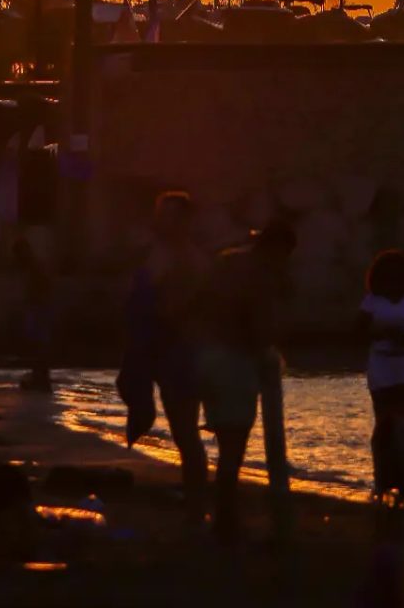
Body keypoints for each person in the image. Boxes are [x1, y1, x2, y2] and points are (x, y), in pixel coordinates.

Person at [199, 218, 297, 542]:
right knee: (234, 445)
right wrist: (265, 351)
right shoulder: (259, 274)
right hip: (235, 361)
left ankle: (223, 517)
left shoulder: (227, 262)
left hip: (209, 357)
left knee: (227, 442)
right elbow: (254, 323)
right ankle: (225, 522)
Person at [118, 191, 210, 518]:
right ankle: (193, 494)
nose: (163, 221)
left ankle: (196, 499)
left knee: (185, 430)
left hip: (181, 351)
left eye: (171, 215)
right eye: (161, 214)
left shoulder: (191, 260)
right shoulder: (155, 254)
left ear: (186, 221)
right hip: (155, 348)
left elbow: (188, 308)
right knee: (169, 421)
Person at [360, 248, 404, 499]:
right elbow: (359, 330)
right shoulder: (372, 301)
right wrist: (382, 333)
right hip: (382, 364)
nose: (392, 281)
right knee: (385, 421)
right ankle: (382, 478)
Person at [12, 234, 54, 392]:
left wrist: (33, 304)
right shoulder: (34, 267)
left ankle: (41, 380)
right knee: (37, 347)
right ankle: (40, 378)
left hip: (40, 309)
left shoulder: (36, 267)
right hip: (38, 309)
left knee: (39, 347)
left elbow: (43, 289)